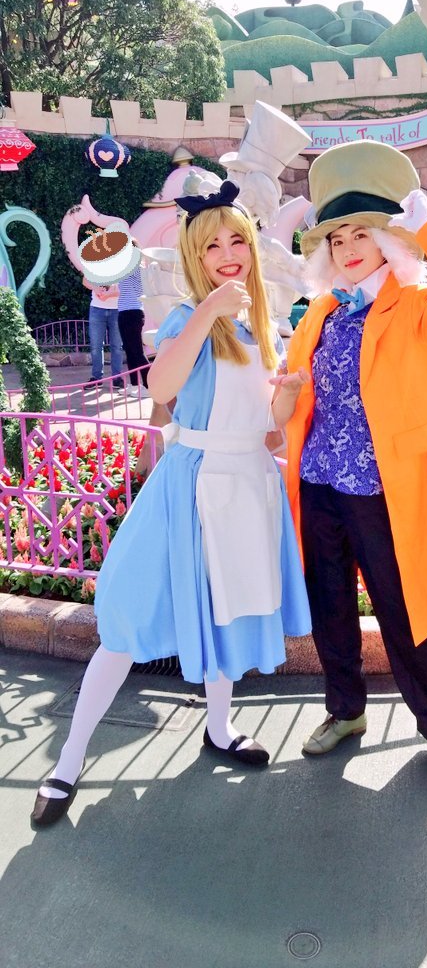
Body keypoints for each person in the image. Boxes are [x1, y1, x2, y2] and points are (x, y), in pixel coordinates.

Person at [32, 180, 311, 827]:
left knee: (227, 609)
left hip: (247, 484)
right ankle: (68, 760)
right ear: (193, 256)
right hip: (190, 486)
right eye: (211, 245)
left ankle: (219, 727)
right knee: (129, 619)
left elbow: (267, 426)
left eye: (236, 240)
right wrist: (209, 308)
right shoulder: (193, 318)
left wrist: (289, 398)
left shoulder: (261, 326)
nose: (227, 254)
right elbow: (161, 385)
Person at [286, 140, 427, 790]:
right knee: (330, 607)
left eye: (362, 233)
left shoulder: (415, 306)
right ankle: (346, 710)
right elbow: (299, 391)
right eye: (338, 237)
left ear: (386, 240)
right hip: (320, 482)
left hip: (382, 490)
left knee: (406, 614)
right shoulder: (321, 312)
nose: (349, 247)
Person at [117, 252, 150, 396]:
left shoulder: (137, 268)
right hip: (124, 311)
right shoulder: (125, 268)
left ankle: (149, 386)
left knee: (137, 351)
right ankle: (134, 385)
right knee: (129, 350)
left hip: (133, 312)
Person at [84, 277, 124, 387]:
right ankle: (96, 378)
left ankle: (117, 378)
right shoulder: (95, 266)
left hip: (117, 309)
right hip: (97, 308)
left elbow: (127, 288)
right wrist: (95, 288)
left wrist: (109, 294)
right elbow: (85, 280)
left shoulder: (123, 268)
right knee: (95, 346)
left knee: (117, 346)